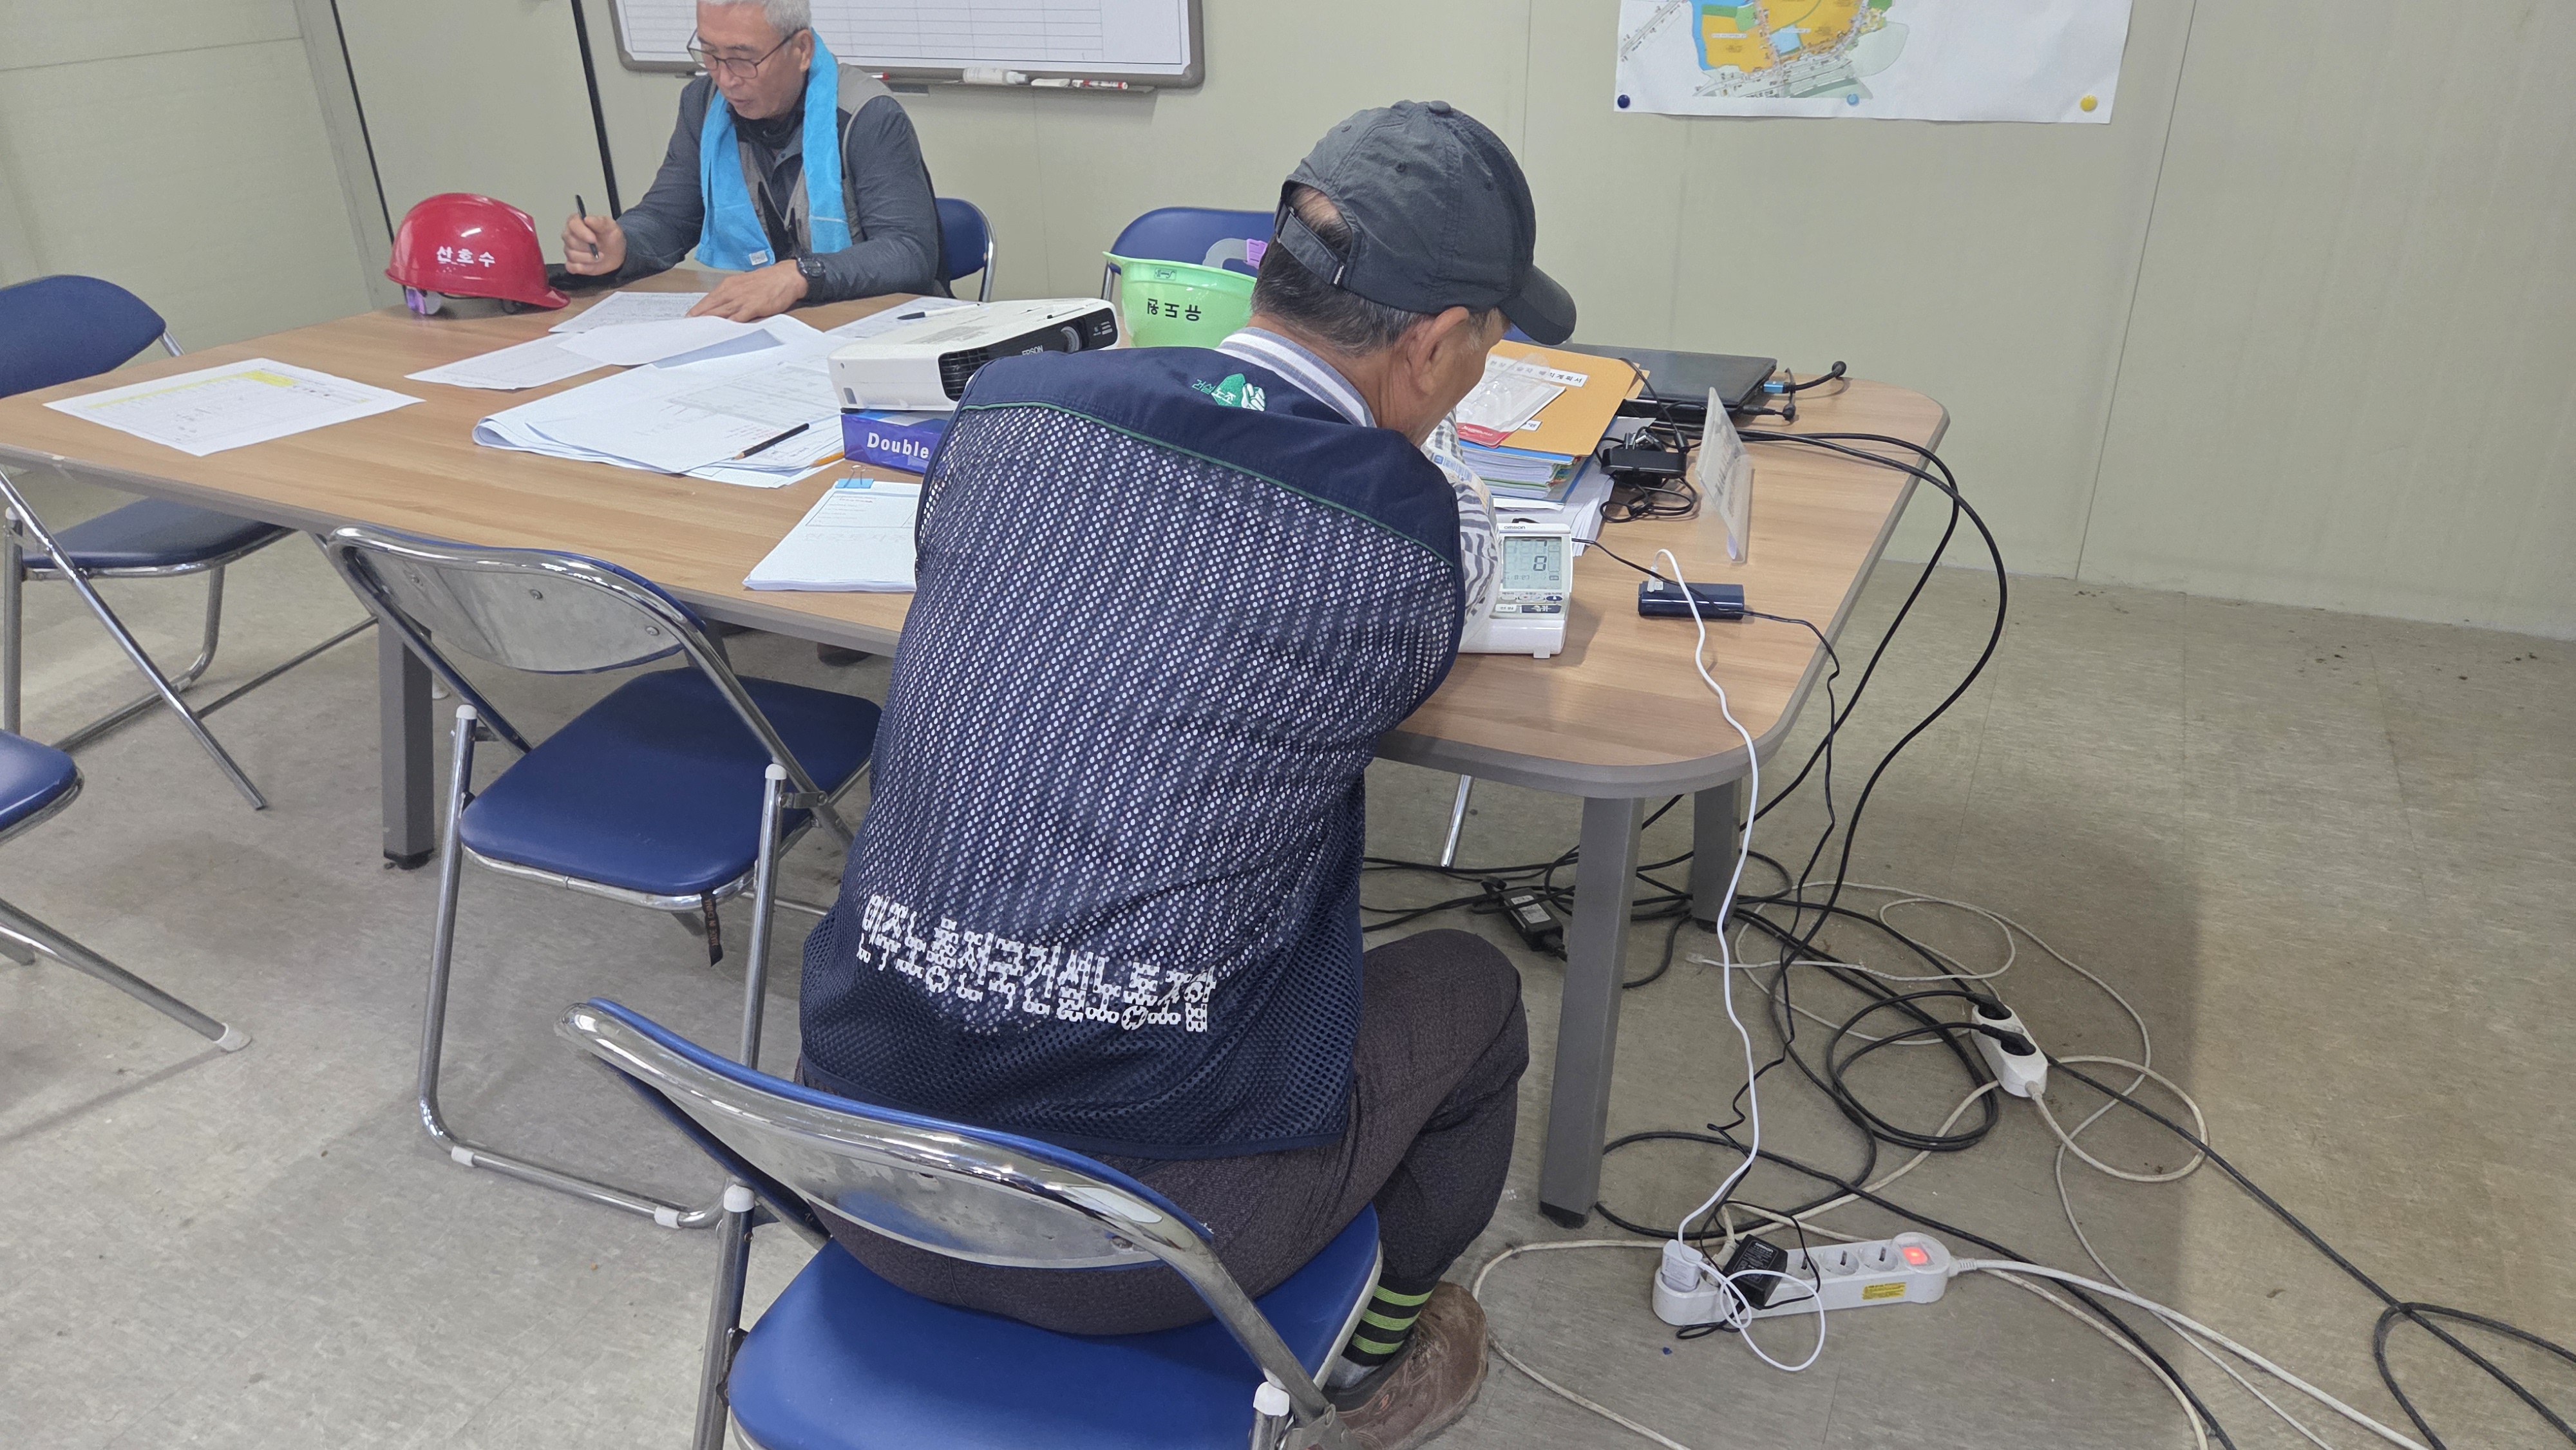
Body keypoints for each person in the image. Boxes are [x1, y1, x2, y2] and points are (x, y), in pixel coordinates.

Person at [797, 101, 1575, 1448]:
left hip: (860, 1165)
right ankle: (1371, 1361)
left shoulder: (1009, 406)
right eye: (1486, 348)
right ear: (1434, 341)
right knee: (1474, 997)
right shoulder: (1400, 530)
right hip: (1144, 1247)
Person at [560, 0, 941, 321]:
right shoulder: (703, 106)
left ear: (802, 50)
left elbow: (908, 250)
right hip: (781, 327)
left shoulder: (867, 115)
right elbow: (669, 216)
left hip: (882, 324)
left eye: (743, 60)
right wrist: (623, 244)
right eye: (710, 55)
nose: (725, 80)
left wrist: (800, 275)